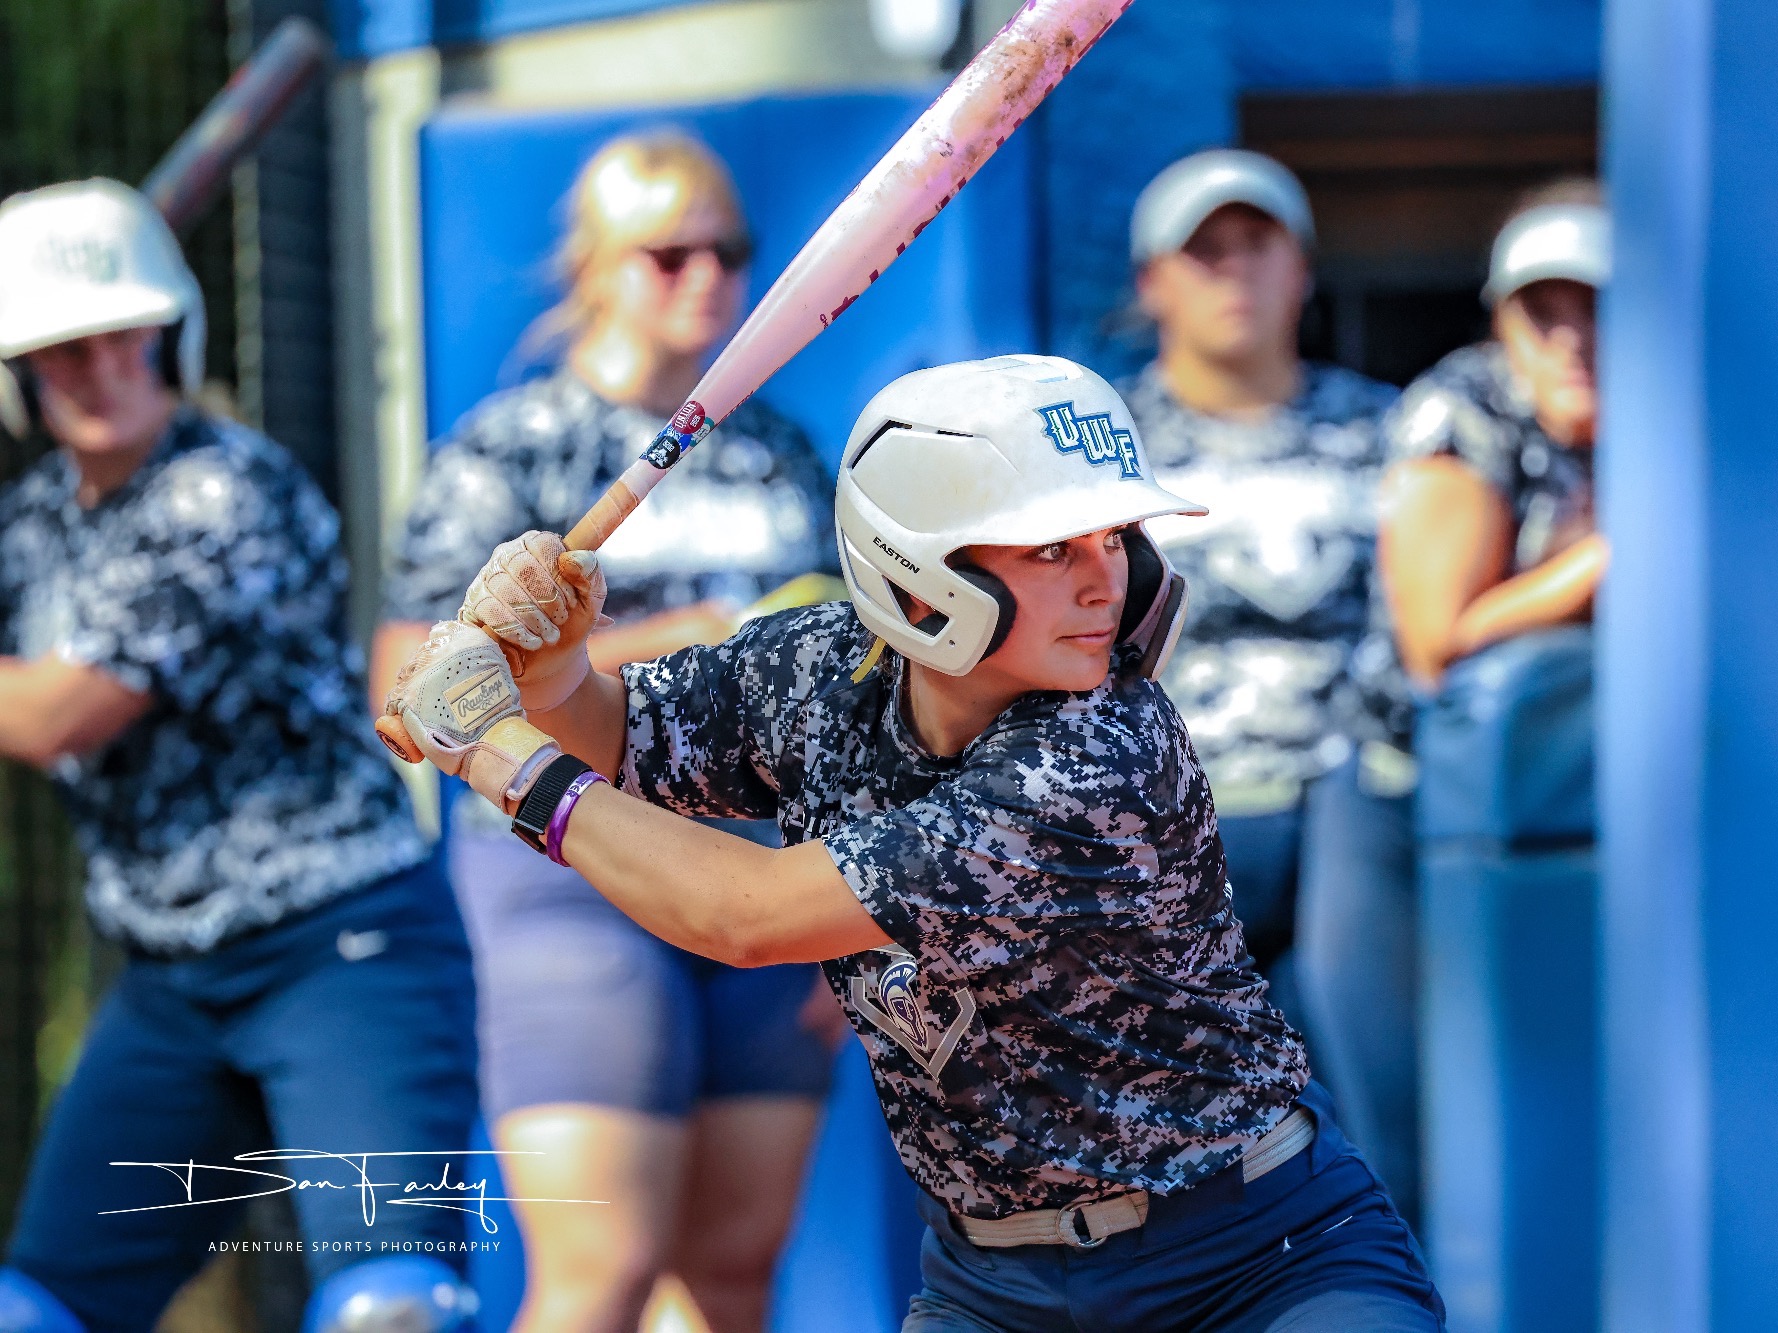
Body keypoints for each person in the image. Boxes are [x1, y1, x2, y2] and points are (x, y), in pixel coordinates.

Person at [378, 354, 1448, 1332]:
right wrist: (556, 670)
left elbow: (745, 917)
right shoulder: (813, 670)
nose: (1102, 579)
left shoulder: (1098, 752)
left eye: (1112, 537)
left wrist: (499, 755)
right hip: (997, 1291)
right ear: (920, 570)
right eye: (1048, 548)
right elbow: (618, 733)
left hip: (1255, 1261)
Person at [370, 131, 841, 1333]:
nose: (707, 279)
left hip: (759, 869)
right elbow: (408, 683)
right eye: (668, 252)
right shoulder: (510, 448)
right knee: (604, 1269)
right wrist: (684, 636)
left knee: (731, 1268)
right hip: (567, 862)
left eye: (728, 252)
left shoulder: (781, 450)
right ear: (594, 269)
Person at [0, 180, 477, 1331]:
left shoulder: (226, 489)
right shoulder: (34, 526)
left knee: (392, 1312)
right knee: (33, 1310)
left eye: (119, 333)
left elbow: (58, 714)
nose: (96, 367)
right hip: (168, 978)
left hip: (340, 948)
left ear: (170, 334)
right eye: (58, 347)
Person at [1119, 149, 1421, 1219]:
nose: (1232, 273)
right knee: (1166, 1136)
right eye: (1203, 251)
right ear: (1152, 280)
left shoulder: (1393, 426)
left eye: (1257, 245)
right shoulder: (1100, 446)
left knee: (1376, 1099)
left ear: (1301, 269)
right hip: (1170, 817)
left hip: (1358, 802)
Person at [1377, 179, 1611, 690]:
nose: (1571, 340)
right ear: (1502, 323)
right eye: (1542, 314)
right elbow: (1436, 654)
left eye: (1596, 306)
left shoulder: (1679, 414)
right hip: (1455, 756)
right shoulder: (1461, 411)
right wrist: (1609, 562)